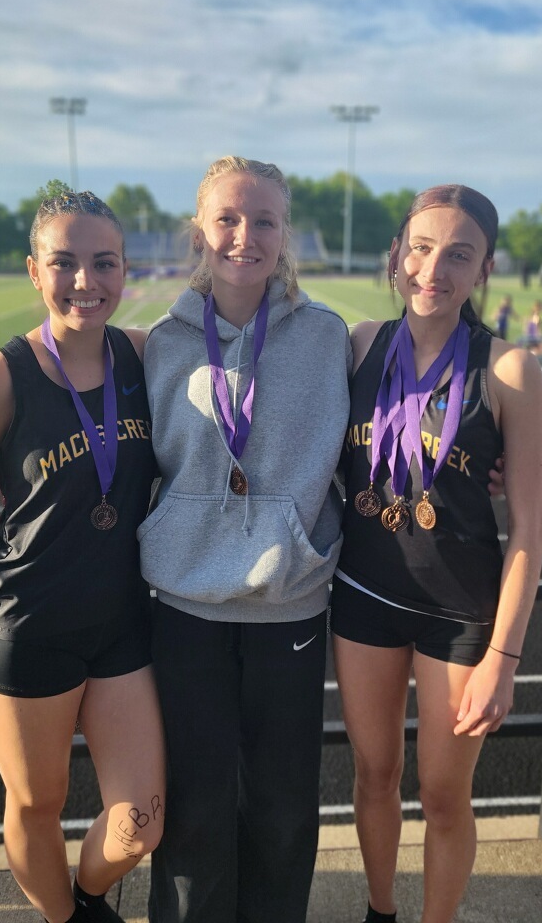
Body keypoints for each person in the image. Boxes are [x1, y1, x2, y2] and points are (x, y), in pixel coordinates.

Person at [0, 190, 165, 923]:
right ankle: (64, 918)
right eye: (65, 263)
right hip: (26, 630)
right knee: (39, 803)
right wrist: (41, 543)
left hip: (120, 627)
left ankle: (89, 895)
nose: (85, 282)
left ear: (126, 270)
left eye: (103, 263)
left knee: (142, 820)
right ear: (35, 271)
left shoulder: (143, 354)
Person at [138, 156, 352, 923]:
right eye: (227, 218)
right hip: (186, 607)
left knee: (285, 807)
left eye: (264, 220)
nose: (245, 235)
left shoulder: (331, 338)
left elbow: (397, 414)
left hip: (288, 607)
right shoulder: (157, 342)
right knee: (192, 805)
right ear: (200, 230)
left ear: (285, 232)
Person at [331, 184, 542, 923]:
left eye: (459, 254)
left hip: (460, 612)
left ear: (484, 270)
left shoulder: (508, 369)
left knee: (445, 796)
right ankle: (381, 910)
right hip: (363, 594)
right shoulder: (359, 343)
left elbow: (528, 530)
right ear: (396, 257)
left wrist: (504, 659)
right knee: (374, 773)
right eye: (420, 249)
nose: (434, 270)